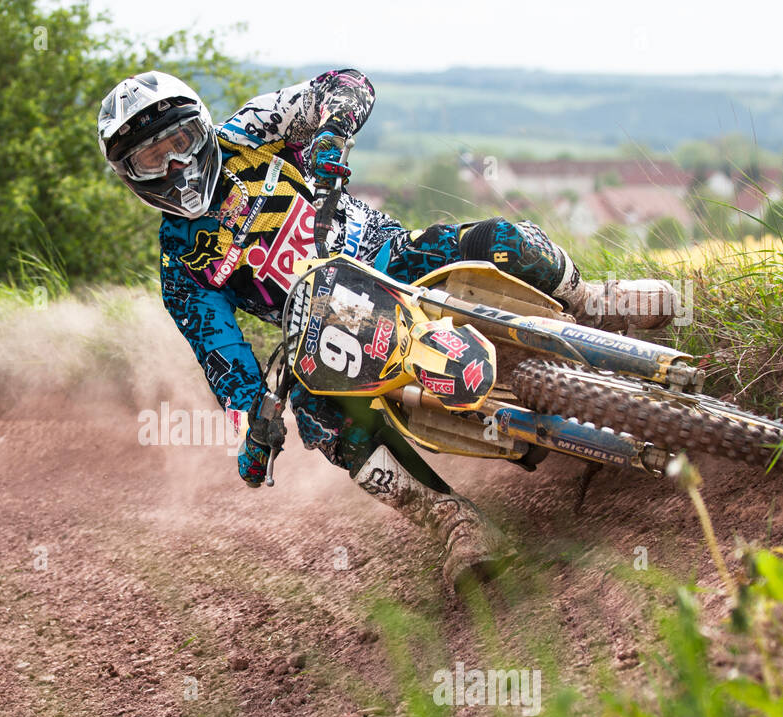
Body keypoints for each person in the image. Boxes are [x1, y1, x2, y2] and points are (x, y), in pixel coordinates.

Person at [97, 69, 679, 587]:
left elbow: (345, 85)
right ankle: (450, 521)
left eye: (181, 142)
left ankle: (589, 303)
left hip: (387, 256)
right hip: (321, 330)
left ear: (201, 127)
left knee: (503, 239)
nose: (176, 165)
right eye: (153, 160)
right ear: (132, 176)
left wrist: (327, 136)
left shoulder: (251, 131)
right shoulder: (180, 265)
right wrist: (255, 422)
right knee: (320, 421)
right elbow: (222, 357)